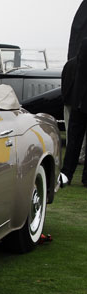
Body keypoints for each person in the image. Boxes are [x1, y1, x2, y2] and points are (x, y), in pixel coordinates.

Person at [61, 38, 87, 187]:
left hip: (78, 102)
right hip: (79, 102)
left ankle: (67, 173)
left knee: (73, 141)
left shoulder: (83, 45)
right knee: (74, 141)